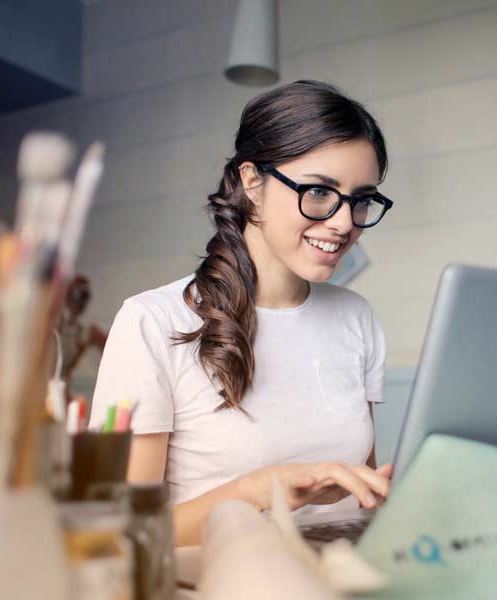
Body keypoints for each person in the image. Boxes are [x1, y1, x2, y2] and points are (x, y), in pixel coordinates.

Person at [90, 80, 395, 546]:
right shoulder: (152, 322)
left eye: (361, 199)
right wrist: (257, 491)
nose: (343, 222)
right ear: (252, 182)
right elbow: (123, 532)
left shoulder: (356, 317)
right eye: (318, 192)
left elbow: (363, 490)